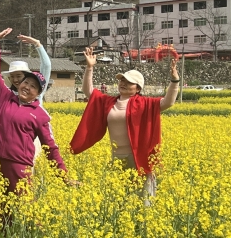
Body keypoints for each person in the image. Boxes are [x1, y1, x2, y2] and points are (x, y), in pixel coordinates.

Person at [70, 47, 179, 203]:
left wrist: (174, 81)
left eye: (129, 82)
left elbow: (168, 102)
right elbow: (89, 92)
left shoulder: (145, 104)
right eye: (122, 80)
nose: (123, 84)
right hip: (117, 157)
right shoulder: (109, 102)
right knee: (119, 199)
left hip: (139, 157)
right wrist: (89, 68)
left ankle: (142, 226)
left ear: (138, 88)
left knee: (143, 199)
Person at [0, 29, 67, 194]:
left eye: (33, 86)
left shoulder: (40, 114)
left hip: (18, 166)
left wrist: (63, 176)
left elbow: (50, 147)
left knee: (24, 210)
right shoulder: (4, 97)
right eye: (26, 83)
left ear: (39, 93)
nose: (27, 87)